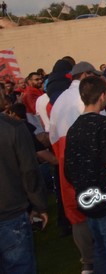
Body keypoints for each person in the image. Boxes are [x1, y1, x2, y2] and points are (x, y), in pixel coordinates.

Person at [64, 76, 106, 274]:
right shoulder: (104, 124)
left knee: (100, 249)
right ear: (103, 96)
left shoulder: (73, 128)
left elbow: (68, 167)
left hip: (86, 197)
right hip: (105, 199)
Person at [0, 100, 48, 273]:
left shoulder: (13, 127)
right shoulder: (13, 128)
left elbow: (29, 171)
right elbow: (29, 171)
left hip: (11, 212)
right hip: (12, 214)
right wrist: (39, 205)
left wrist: (38, 205)